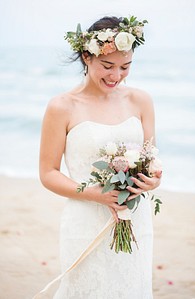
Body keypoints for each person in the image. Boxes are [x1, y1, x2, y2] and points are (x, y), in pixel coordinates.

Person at [39, 15, 162, 299]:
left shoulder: (141, 100)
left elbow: (152, 159)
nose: (116, 76)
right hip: (85, 219)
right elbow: (48, 173)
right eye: (108, 66)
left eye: (125, 66)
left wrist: (152, 181)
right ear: (86, 56)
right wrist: (97, 194)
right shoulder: (62, 107)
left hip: (134, 218)